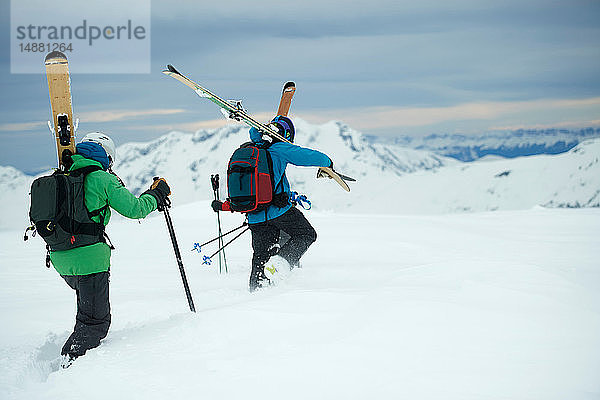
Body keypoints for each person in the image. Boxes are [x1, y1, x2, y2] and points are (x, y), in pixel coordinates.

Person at [50, 132, 171, 367]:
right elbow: (134, 209)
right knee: (95, 323)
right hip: (90, 259)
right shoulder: (102, 179)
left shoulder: (62, 176)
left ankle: (71, 364)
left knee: (87, 313)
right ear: (105, 156)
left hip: (61, 258)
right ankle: (68, 369)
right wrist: (157, 194)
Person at [212, 116, 332, 292]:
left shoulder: (252, 148)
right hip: (278, 211)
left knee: (260, 255)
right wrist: (328, 163)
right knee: (306, 234)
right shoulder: (279, 149)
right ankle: (280, 263)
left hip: (254, 215)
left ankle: (256, 291)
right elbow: (306, 156)